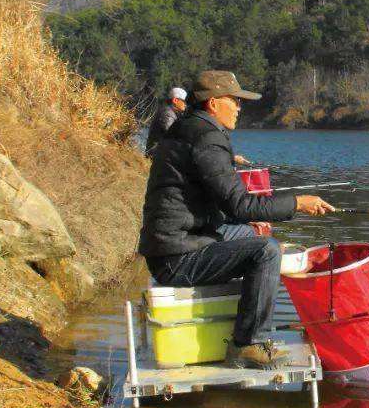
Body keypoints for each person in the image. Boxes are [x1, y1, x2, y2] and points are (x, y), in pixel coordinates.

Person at [139, 69, 335, 368]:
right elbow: (240, 205)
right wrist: (297, 203)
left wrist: (243, 224)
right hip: (176, 256)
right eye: (235, 100)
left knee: (252, 235)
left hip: (173, 243)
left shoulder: (188, 128)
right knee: (267, 251)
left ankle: (243, 320)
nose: (240, 108)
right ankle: (247, 344)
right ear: (213, 103)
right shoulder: (206, 137)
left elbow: (216, 204)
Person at [145, 86, 187, 156]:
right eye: (184, 101)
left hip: (155, 153)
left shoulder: (168, 111)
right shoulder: (168, 114)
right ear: (175, 100)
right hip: (155, 155)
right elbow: (172, 135)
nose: (185, 105)